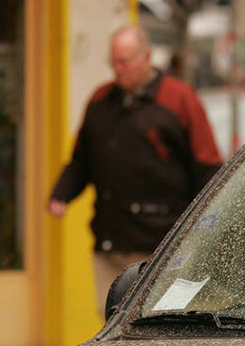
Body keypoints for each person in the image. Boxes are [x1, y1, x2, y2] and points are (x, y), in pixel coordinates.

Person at [49, 25, 223, 316]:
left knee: (156, 322)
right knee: (110, 322)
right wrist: (61, 195)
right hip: (110, 239)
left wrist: (204, 229)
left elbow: (206, 166)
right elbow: (82, 160)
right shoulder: (100, 101)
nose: (117, 70)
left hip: (162, 245)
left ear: (146, 57)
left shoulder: (179, 99)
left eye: (124, 62)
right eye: (113, 62)